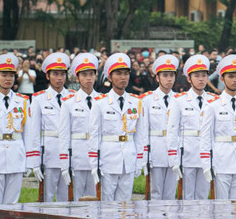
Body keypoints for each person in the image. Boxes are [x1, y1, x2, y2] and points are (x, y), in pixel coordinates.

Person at [88, 53, 146, 201]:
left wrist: (140, 160)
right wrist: (94, 163)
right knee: (107, 201)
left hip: (128, 157)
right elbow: (94, 135)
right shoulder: (100, 103)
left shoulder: (136, 102)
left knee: (125, 202)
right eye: (118, 74)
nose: (123, 78)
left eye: (126, 74)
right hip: (108, 158)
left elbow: (140, 135)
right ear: (110, 77)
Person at [200, 55, 236, 200]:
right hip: (221, 159)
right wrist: (207, 163)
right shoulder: (213, 106)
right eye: (231, 76)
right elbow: (206, 136)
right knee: (222, 205)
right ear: (222, 79)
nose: (235, 80)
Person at [167, 54, 216, 200]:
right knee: (187, 196)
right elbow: (172, 130)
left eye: (204, 75)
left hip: (206, 154)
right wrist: (173, 158)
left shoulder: (214, 101)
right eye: (197, 76)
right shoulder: (179, 101)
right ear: (189, 79)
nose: (201, 79)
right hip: (187, 153)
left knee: (203, 195)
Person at [28, 52, 74, 202]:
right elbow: (34, 132)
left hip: (69, 153)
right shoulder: (39, 99)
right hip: (48, 153)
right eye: (55, 74)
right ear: (47, 76)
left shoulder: (74, 97)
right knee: (47, 198)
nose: (59, 78)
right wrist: (34, 161)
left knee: (66, 198)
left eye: (62, 74)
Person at [58, 53, 100, 200]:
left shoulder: (103, 101)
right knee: (76, 200)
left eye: (91, 74)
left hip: (97, 157)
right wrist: (64, 163)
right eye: (84, 75)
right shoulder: (68, 102)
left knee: (95, 199)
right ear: (77, 78)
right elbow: (64, 134)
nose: (88, 78)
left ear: (95, 76)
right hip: (77, 156)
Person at [0, 53, 33, 204]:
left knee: (12, 205)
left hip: (16, 157)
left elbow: (28, 134)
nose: (8, 79)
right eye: (4, 75)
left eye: (11, 75)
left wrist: (29, 161)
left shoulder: (22, 101)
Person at [140, 54, 179, 200]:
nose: (169, 79)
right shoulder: (147, 100)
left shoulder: (180, 100)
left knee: (170, 192)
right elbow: (144, 130)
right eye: (165, 75)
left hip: (173, 150)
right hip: (156, 150)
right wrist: (144, 157)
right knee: (155, 193)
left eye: (171, 75)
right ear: (157, 78)